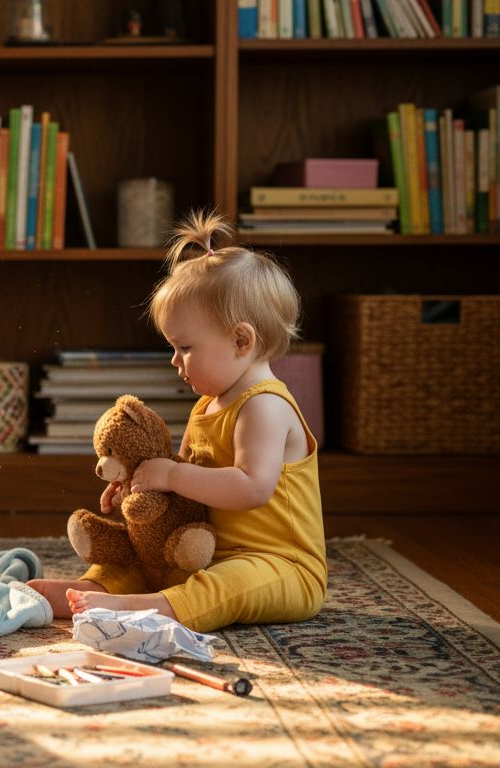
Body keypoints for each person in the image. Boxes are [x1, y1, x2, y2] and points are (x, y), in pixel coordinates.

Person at [27, 211, 326, 633]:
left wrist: (171, 473)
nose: (175, 361)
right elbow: (185, 488)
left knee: (225, 584)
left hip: (281, 566)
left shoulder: (265, 407)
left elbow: (252, 488)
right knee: (142, 555)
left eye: (185, 347)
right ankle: (95, 587)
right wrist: (142, 482)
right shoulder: (207, 405)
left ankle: (142, 607)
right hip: (206, 548)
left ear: (242, 341)